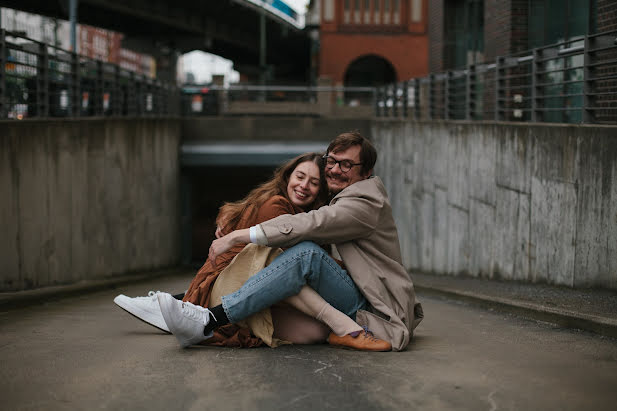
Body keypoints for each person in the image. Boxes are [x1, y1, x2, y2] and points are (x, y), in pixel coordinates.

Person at [158, 131, 423, 352]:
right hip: (363, 299)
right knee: (301, 263)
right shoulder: (343, 198)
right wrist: (233, 221)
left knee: (305, 254)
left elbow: (312, 224)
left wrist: (239, 234)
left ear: (365, 173)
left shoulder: (363, 203)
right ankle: (192, 308)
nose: (334, 169)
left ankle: (209, 319)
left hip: (378, 311)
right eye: (331, 161)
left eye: (346, 165)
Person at [115, 152, 390, 350]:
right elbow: (293, 265)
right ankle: (203, 315)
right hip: (231, 283)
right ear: (288, 176)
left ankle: (191, 317)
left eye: (314, 182)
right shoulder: (277, 206)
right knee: (290, 258)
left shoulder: (303, 216)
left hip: (249, 287)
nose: (304, 186)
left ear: (320, 191)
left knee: (316, 332)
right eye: (300, 176)